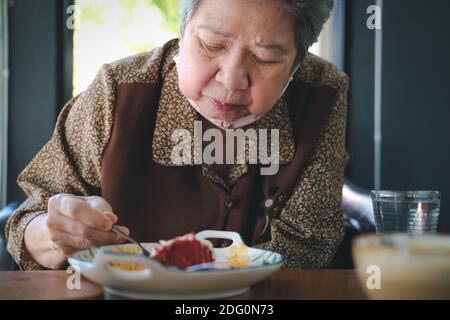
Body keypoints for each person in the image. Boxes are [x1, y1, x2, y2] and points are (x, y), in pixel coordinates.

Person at [5, 0, 349, 270]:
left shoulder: (322, 95)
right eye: (212, 45)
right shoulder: (118, 92)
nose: (231, 80)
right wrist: (54, 232)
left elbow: (309, 246)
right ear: (182, 33)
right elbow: (26, 218)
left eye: (264, 58)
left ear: (297, 63)